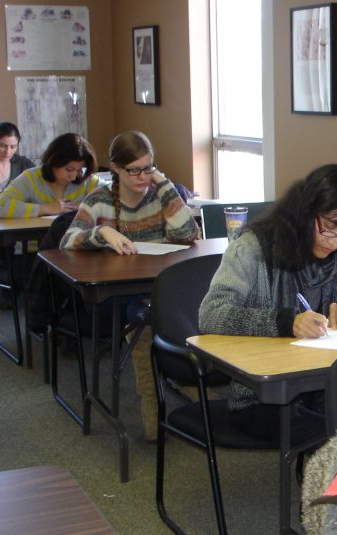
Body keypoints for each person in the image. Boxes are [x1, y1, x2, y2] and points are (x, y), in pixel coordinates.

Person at [198, 163, 337, 439]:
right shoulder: (253, 248)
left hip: (326, 387)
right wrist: (286, 322)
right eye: (329, 228)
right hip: (264, 399)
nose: (336, 241)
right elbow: (211, 313)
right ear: (305, 213)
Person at [59, 130, 199, 441]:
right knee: (145, 321)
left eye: (149, 168)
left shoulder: (160, 194)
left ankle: (188, 380)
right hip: (117, 296)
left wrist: (164, 184)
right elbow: (67, 241)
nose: (142, 177)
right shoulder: (100, 200)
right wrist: (103, 234)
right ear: (115, 168)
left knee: (187, 306)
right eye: (134, 170)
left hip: (159, 288)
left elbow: (188, 233)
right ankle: (152, 404)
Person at [0, 132, 99, 218]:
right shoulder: (31, 178)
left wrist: (87, 206)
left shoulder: (87, 180)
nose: (73, 177)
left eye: (79, 170)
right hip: (37, 238)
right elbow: (0, 206)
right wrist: (45, 208)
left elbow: (109, 196)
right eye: (69, 169)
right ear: (54, 162)